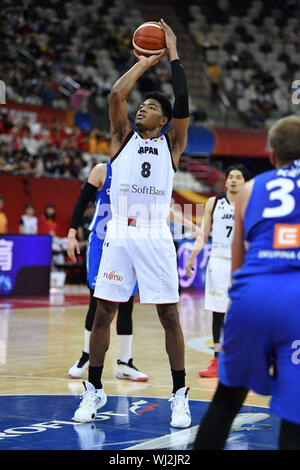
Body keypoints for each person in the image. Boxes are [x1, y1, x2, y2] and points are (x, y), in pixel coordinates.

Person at [72, 18, 192, 428]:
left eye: (152, 108)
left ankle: (179, 393)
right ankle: (94, 388)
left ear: (164, 122)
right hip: (119, 234)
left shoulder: (173, 146)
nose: (143, 107)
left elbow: (184, 102)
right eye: (143, 105)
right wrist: (145, 61)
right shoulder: (121, 138)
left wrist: (173, 54)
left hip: (156, 236)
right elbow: (116, 93)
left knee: (169, 317)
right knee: (103, 312)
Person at [194, 115, 300, 450]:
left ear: (271, 156)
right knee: (295, 415)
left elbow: (237, 265)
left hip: (250, 297)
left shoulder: (250, 190)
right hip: (295, 300)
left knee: (226, 400)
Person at [67, 161, 149, 382]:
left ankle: (125, 363)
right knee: (96, 301)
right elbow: (82, 201)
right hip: (101, 243)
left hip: (129, 244)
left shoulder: (142, 173)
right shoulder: (103, 170)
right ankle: (86, 354)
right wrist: (72, 233)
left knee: (127, 303)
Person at [185, 164, 251, 378]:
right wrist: (192, 257)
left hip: (242, 262)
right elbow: (203, 234)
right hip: (218, 260)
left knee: (242, 312)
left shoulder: (250, 204)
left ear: (245, 182)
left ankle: (241, 359)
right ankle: (216, 360)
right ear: (225, 182)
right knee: (218, 311)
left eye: (238, 177)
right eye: (230, 176)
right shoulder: (214, 203)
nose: (233, 180)